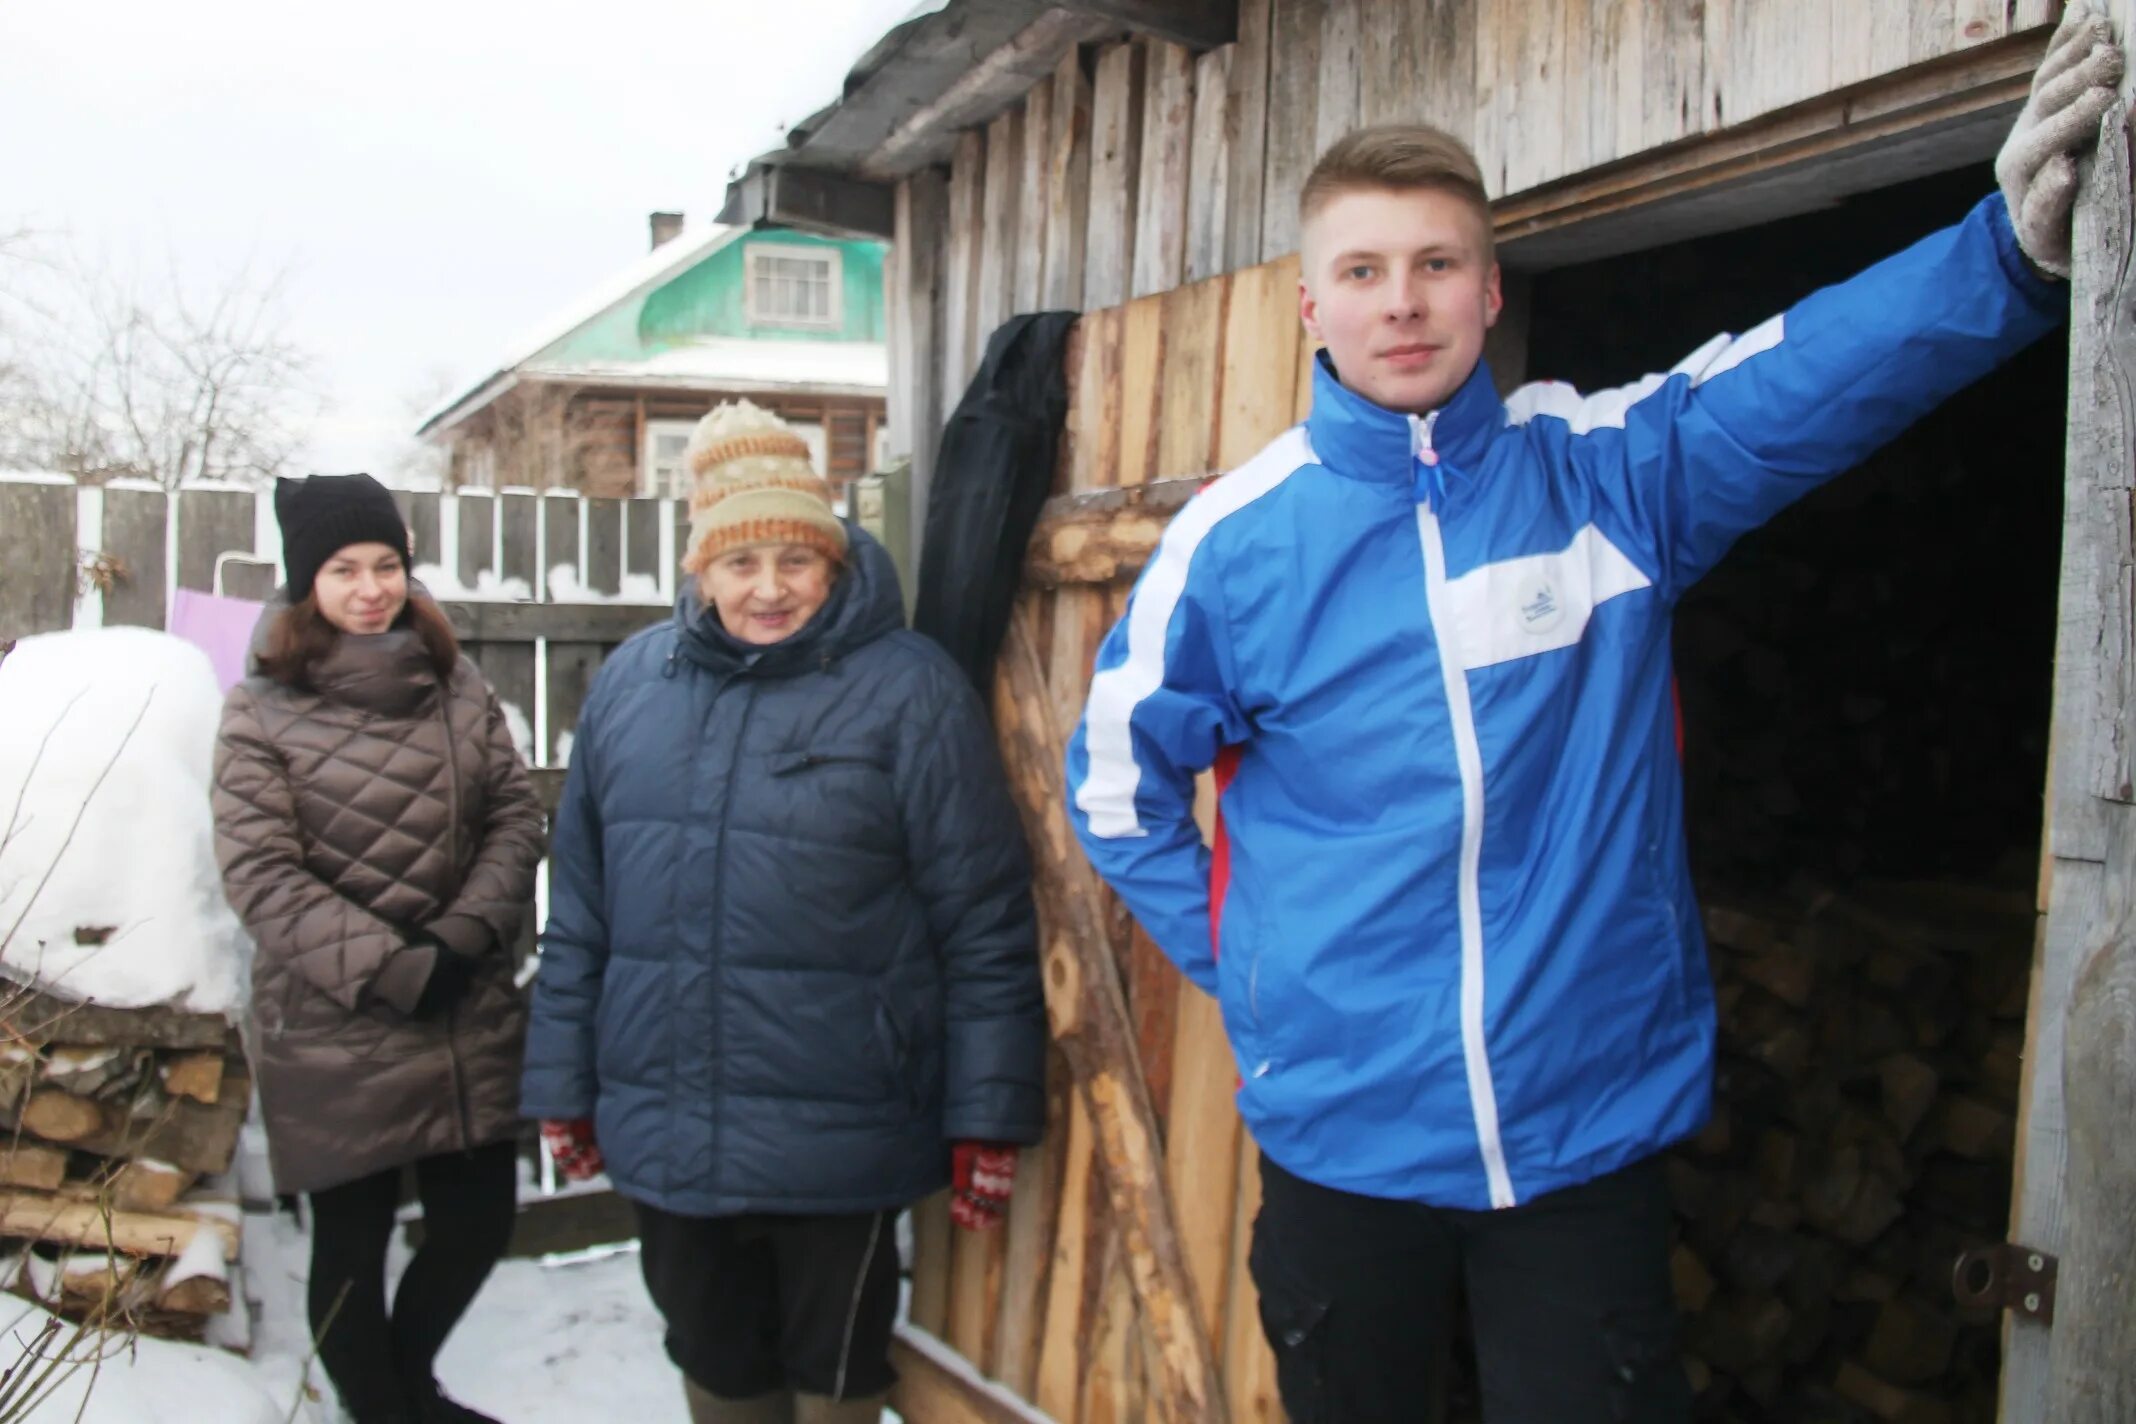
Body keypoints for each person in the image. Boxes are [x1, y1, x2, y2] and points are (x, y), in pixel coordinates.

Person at [1064, 9, 2124, 1422]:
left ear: (1490, 291)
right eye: (1365, 272)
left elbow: (1799, 374)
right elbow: (1117, 792)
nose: (1404, 302)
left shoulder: (1607, 480)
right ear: (1309, 306)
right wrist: (1266, 975)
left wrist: (2001, 257)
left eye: (1437, 265)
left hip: (1582, 1143)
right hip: (1343, 1147)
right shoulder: (1235, 545)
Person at [521, 400, 1046, 1424]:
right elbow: (580, 908)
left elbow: (981, 916)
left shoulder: (909, 691)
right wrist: (563, 1083)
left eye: (794, 560)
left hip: (841, 1127)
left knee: (836, 1370)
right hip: (667, 1119)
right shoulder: (632, 686)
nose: (768, 588)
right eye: (739, 561)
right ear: (698, 568)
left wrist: (987, 1111)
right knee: (714, 1357)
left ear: (835, 559)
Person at [213, 473, 544, 1424]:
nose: (371, 588)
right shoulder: (260, 711)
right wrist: (392, 965)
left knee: (478, 1224)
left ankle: (407, 1389)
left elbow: (514, 816)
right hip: (338, 1019)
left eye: (387, 565)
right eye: (344, 569)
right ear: (304, 583)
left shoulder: (455, 682)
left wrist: (461, 934)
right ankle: (390, 1406)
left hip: (462, 1003)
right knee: (351, 1249)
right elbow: (262, 876)